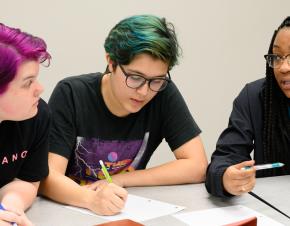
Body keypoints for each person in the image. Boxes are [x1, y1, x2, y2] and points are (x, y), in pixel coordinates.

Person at [39, 14, 208, 216]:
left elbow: (197, 166)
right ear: (111, 62)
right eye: (135, 78)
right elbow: (47, 177)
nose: (144, 92)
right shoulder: (72, 94)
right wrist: (91, 199)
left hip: (124, 211)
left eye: (156, 80)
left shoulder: (164, 94)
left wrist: (120, 180)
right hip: (70, 211)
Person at [205, 16, 290, 197]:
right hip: (273, 210)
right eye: (277, 57)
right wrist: (226, 179)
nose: (283, 67)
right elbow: (224, 160)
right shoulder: (254, 98)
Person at [0, 23, 51, 225]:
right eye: (28, 82)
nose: (40, 88)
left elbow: (27, 179)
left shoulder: (36, 115)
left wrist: (10, 208)